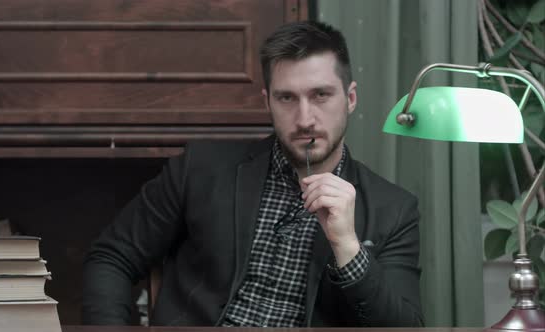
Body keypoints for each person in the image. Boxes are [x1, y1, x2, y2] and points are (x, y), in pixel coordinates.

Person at [82, 21, 423, 327]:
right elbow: (112, 258)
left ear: (350, 98)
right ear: (267, 102)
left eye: (320, 95)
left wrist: (347, 246)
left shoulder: (393, 210)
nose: (305, 118)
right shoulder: (201, 167)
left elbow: (404, 326)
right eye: (287, 98)